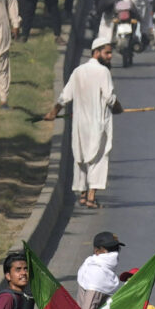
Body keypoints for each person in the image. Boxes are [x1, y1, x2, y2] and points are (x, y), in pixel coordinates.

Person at [58, 37, 120, 208]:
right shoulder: (103, 72)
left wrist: (53, 112)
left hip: (80, 125)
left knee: (81, 158)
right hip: (98, 124)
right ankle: (91, 196)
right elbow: (109, 98)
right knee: (98, 159)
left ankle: (83, 195)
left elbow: (65, 96)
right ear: (96, 52)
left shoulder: (78, 71)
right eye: (107, 53)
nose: (110, 56)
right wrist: (118, 107)